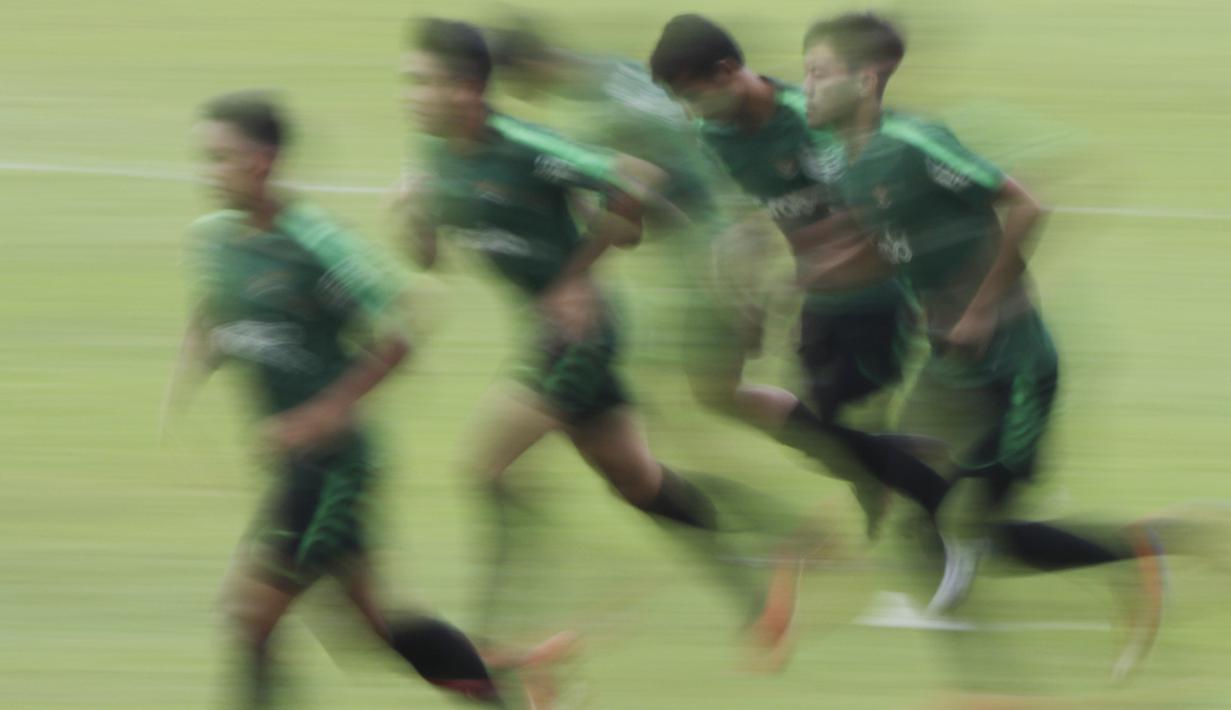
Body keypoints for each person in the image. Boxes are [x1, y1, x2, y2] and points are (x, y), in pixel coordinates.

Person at [398, 18, 798, 676]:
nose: (408, 95)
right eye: (406, 82)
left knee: (488, 469)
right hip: (548, 334)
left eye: (422, 82)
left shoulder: (522, 145)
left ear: (467, 88)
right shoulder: (436, 155)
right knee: (637, 481)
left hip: (577, 339)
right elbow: (429, 258)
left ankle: (503, 641)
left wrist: (576, 275)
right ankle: (764, 573)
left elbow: (632, 183)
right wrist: (411, 214)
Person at [799, 12, 1166, 678]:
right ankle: (961, 628)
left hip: (1016, 368)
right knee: (912, 485)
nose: (808, 88)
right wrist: (822, 276)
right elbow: (894, 247)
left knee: (995, 536)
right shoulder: (840, 159)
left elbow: (1026, 204)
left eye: (819, 74)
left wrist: (977, 311)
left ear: (865, 78)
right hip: (949, 366)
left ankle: (1136, 552)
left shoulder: (912, 141)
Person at [165, 91, 501, 707]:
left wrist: (327, 410)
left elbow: (407, 319)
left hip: (334, 469)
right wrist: (198, 353)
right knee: (373, 629)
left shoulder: (315, 241)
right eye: (204, 157)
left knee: (249, 614)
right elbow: (219, 302)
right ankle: (504, 688)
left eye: (221, 158)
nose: (207, 171)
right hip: (292, 470)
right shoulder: (214, 238)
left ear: (263, 161)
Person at [648, 14, 954, 538]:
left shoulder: (816, 119)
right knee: (819, 428)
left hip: (880, 294)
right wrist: (744, 296)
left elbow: (875, 215)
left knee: (836, 431)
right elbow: (759, 216)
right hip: (822, 298)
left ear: (726, 72)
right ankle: (912, 469)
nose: (688, 110)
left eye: (691, 95)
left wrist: (788, 282)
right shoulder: (717, 136)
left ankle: (942, 502)